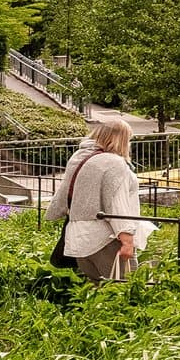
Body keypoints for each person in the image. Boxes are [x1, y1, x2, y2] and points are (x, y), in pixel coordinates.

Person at [47, 115, 148, 283]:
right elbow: (117, 204)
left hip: (77, 236)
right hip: (104, 239)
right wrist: (127, 240)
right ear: (121, 139)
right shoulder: (113, 163)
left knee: (97, 289)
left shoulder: (79, 157)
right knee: (125, 288)